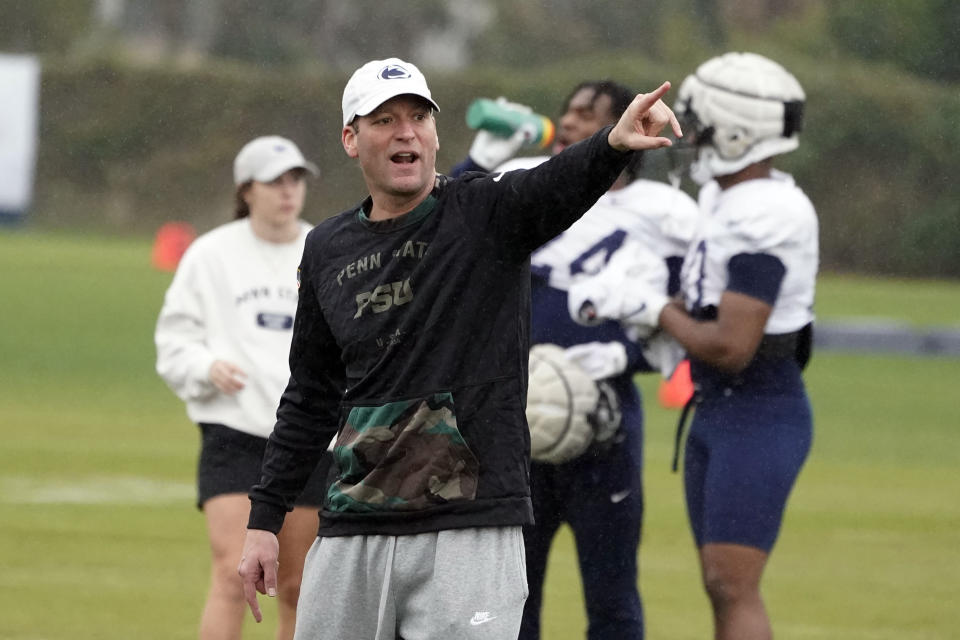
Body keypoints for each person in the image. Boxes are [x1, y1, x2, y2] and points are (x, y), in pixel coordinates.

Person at [236, 57, 682, 640]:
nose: (406, 131)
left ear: (435, 133)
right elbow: (311, 395)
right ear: (351, 138)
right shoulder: (327, 249)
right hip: (355, 522)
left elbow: (552, 184)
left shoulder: (485, 212)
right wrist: (265, 519)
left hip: (469, 525)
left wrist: (613, 145)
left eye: (419, 116)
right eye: (385, 119)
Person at [569, 52, 817, 640]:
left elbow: (731, 345)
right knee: (718, 583)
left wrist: (651, 307)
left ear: (736, 131)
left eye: (701, 123)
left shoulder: (767, 211)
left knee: (734, 584)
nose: (692, 134)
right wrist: (656, 309)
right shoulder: (726, 198)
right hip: (720, 407)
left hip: (756, 408)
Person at [453, 81, 699, 640]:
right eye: (568, 110)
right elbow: (437, 220)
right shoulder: (523, 185)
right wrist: (480, 157)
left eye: (588, 114)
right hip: (513, 422)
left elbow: (691, 315)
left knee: (612, 598)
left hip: (605, 421)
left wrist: (626, 353)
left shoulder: (665, 214)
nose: (568, 122)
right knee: (511, 599)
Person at [155, 135, 331, 640]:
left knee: (299, 586)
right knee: (236, 573)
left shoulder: (325, 247)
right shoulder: (210, 255)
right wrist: (206, 366)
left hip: (310, 439)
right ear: (246, 190)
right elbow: (174, 340)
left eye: (295, 179)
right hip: (235, 432)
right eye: (274, 181)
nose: (288, 191)